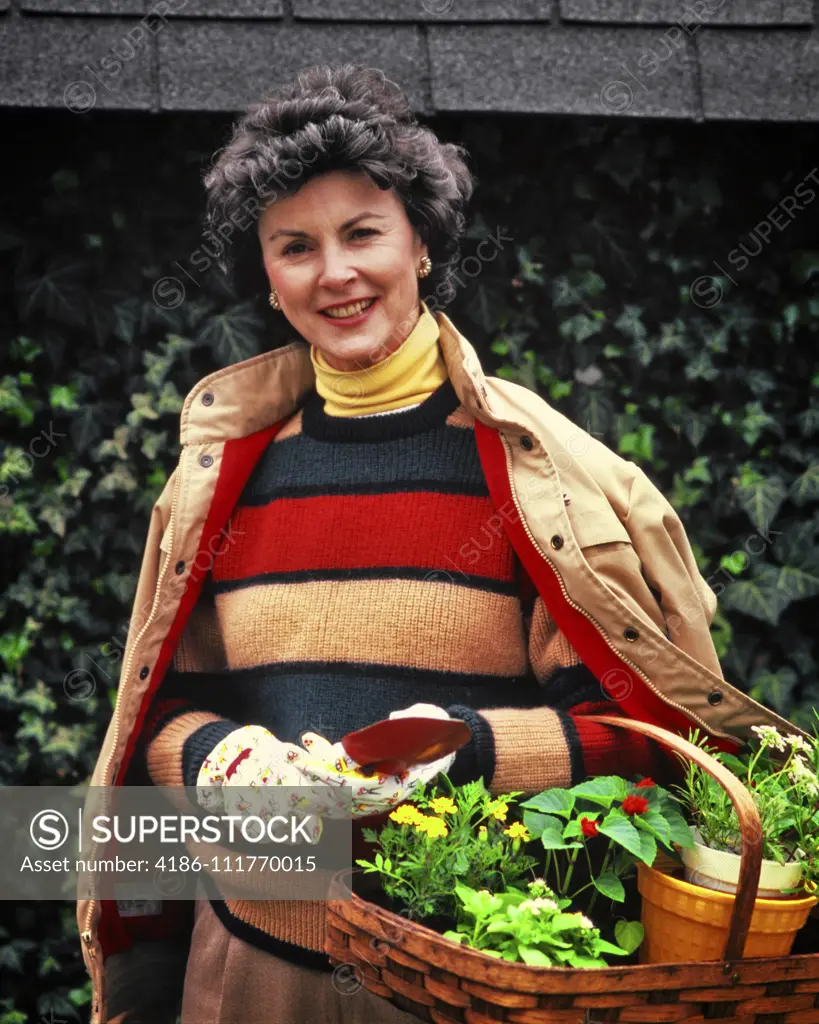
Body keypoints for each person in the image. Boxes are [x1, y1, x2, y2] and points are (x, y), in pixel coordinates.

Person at [77, 63, 808, 1024]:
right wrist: (218, 759)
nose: (333, 272)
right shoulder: (222, 480)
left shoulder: (536, 474)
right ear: (267, 273)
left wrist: (451, 753)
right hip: (248, 972)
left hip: (465, 975)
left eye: (363, 233)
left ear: (420, 246)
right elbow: (161, 707)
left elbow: (636, 743)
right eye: (294, 245)